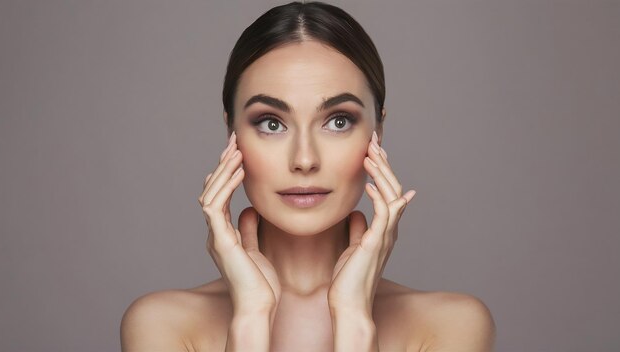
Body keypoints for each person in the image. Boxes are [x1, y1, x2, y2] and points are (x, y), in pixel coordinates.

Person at [120, 2, 496, 351]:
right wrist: (250, 320)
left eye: (337, 121)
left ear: (377, 131)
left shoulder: (450, 326)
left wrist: (355, 322)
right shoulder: (162, 325)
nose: (304, 159)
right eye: (271, 123)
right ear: (231, 132)